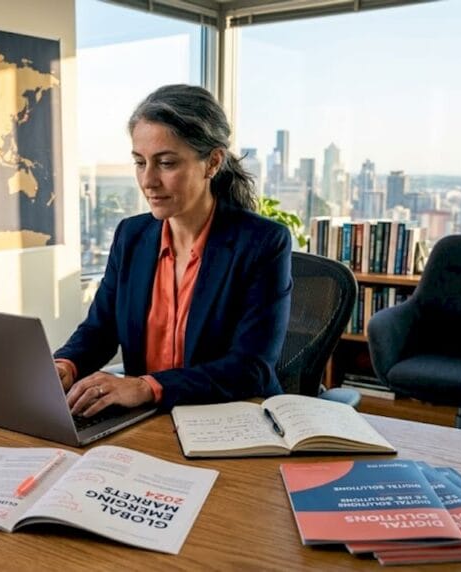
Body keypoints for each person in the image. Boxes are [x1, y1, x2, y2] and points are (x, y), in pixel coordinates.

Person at [55, 84, 292, 417]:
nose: (148, 181)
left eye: (165, 163)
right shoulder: (131, 236)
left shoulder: (263, 243)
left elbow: (250, 368)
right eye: (140, 163)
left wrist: (146, 387)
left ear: (212, 162)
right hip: (148, 423)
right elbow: (101, 329)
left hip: (233, 420)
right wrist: (65, 365)